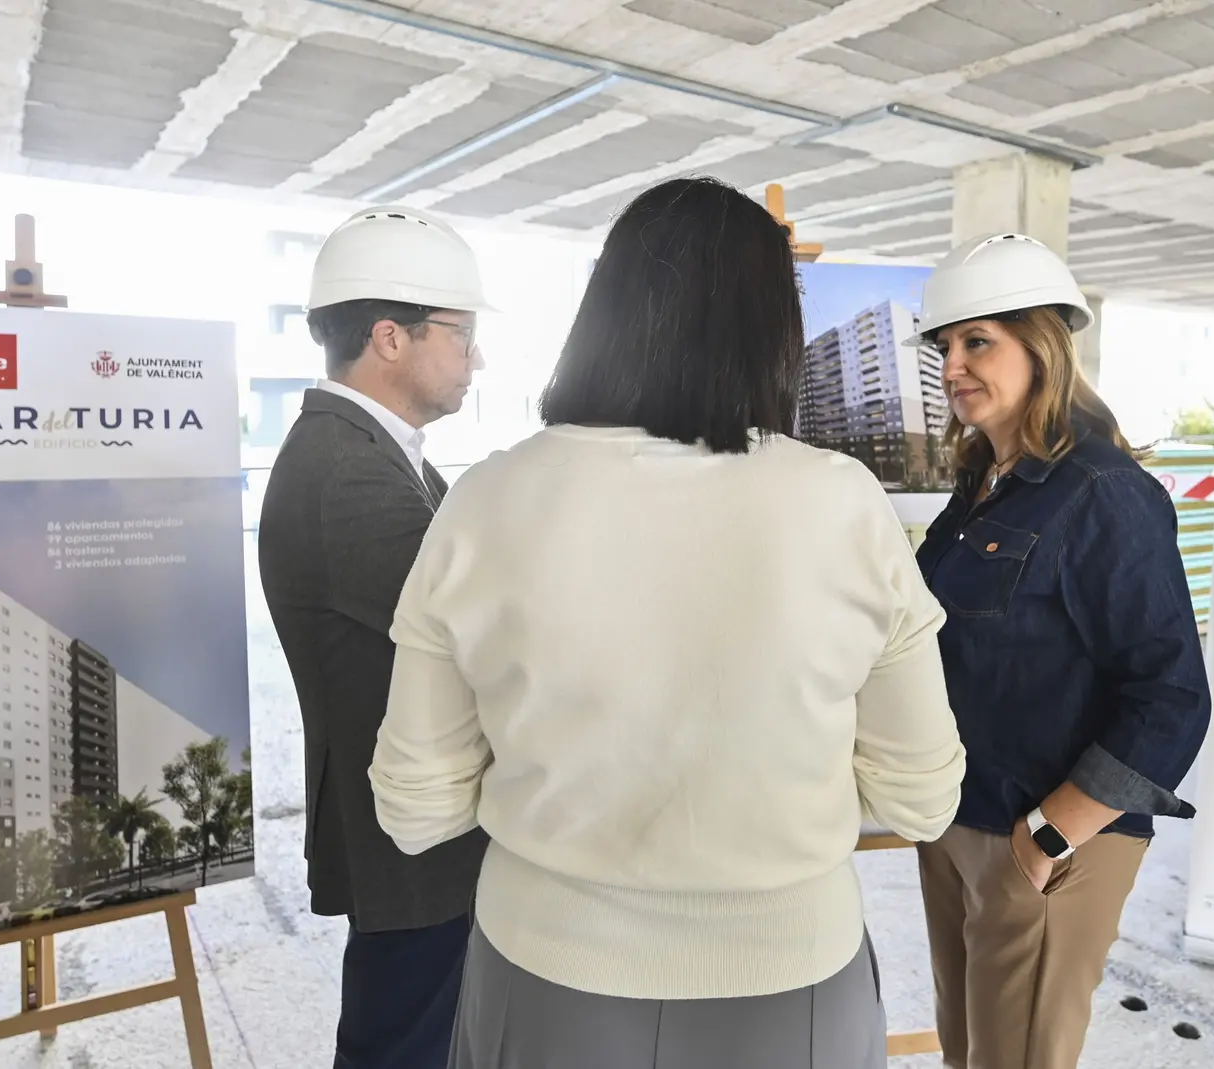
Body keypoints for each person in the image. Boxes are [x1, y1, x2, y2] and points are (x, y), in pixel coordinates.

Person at [366, 176, 967, 1069]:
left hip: (545, 970)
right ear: (774, 330)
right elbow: (922, 797)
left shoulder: (488, 499)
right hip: (790, 981)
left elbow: (414, 807)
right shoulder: (841, 504)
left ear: (602, 308)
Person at [909, 234, 1211, 1069]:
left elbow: (1172, 695)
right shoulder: (982, 486)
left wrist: (1044, 839)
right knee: (968, 1051)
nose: (954, 365)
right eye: (946, 346)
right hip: (960, 821)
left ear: (1041, 344)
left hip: (1048, 836)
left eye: (978, 341)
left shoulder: (1105, 493)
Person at [256, 204, 492, 1069]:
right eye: (461, 335)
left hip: (414, 832)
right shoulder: (349, 473)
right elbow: (477, 632)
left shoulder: (377, 451)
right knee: (401, 1048)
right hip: (411, 847)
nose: (475, 358)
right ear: (390, 338)